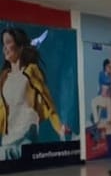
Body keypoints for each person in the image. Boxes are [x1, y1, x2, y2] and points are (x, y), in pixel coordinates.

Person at [1, 26, 72, 160]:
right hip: (6, 142)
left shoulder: (30, 72)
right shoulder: (4, 77)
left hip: (25, 141)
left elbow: (47, 101)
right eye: (3, 43)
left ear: (20, 47)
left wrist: (59, 127)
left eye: (8, 42)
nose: (4, 47)